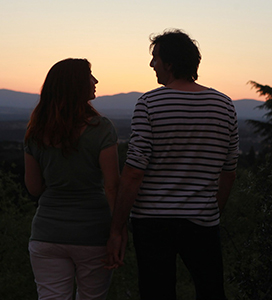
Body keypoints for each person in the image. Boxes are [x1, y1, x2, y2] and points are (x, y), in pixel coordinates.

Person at [106, 29, 239, 300]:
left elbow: (133, 173)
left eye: (155, 58)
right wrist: (214, 212)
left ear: (169, 63)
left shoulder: (149, 103)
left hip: (153, 222)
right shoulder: (224, 105)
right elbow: (229, 172)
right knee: (211, 291)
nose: (151, 64)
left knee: (157, 293)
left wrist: (117, 227)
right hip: (202, 220)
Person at [24, 58, 120, 300]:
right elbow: (112, 186)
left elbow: (34, 188)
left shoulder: (35, 131)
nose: (95, 81)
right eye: (89, 76)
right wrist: (118, 233)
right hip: (92, 233)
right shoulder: (101, 128)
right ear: (75, 84)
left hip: (47, 234)